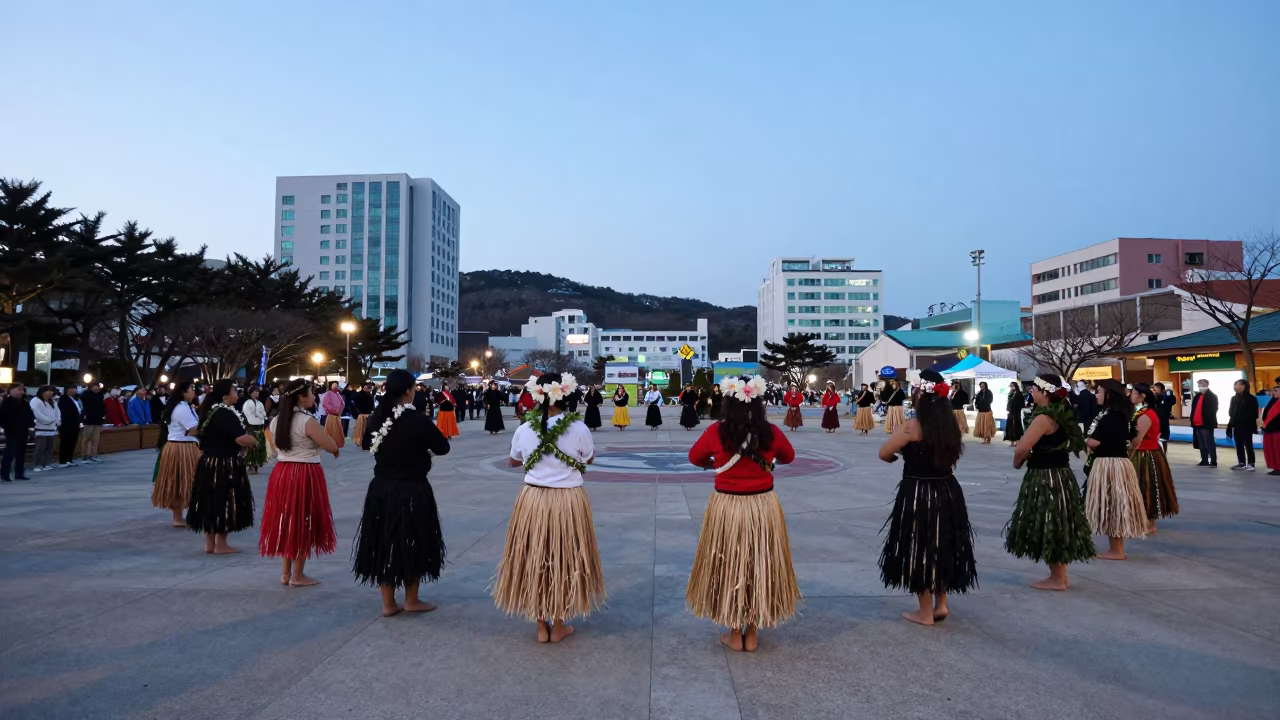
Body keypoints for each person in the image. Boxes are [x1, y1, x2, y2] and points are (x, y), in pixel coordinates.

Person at [686, 376, 799, 652]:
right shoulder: (770, 432)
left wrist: (713, 462)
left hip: (728, 507)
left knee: (730, 562)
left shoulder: (716, 432)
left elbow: (694, 457)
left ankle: (734, 632)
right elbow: (789, 457)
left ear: (727, 403)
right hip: (762, 506)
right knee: (758, 563)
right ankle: (753, 632)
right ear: (758, 402)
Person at [493, 373, 604, 643]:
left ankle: (541, 625)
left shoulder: (524, 428)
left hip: (533, 500)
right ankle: (560, 624)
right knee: (564, 558)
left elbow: (513, 462)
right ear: (566, 395)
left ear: (538, 396)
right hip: (568, 501)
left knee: (535, 557)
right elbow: (589, 458)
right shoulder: (578, 428)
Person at [877, 370, 976, 625]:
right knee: (943, 542)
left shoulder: (911, 427)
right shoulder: (951, 427)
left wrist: (895, 457)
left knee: (919, 545)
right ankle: (940, 604)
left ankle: (924, 612)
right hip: (947, 490)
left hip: (919, 492)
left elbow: (884, 453)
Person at [353, 369, 451, 616]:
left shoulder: (377, 417)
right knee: (414, 538)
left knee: (384, 540)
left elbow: (366, 444)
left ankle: (388, 604)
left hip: (382, 487)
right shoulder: (415, 418)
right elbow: (442, 446)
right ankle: (411, 600)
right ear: (408, 390)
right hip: (412, 488)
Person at [1006, 374, 1094, 591]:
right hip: (1062, 474)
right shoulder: (1063, 413)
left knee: (1050, 522)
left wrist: (1018, 462)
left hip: (1046, 477)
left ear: (1045, 392)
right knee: (1058, 523)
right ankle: (1059, 576)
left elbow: (1023, 447)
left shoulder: (1043, 418)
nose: (1031, 391)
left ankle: (1057, 578)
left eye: (1034, 388)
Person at [261, 379, 340, 587]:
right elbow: (331, 445)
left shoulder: (277, 420)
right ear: (301, 397)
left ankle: (286, 573)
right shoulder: (307, 421)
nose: (314, 397)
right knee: (304, 519)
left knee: (285, 519)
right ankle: (298, 575)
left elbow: (276, 447)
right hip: (305, 473)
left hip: (282, 472)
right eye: (312, 393)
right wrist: (332, 447)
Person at [186, 379, 259, 554]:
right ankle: (221, 544)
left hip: (209, 462)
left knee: (210, 501)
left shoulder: (211, 411)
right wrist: (254, 441)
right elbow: (240, 438)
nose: (237, 394)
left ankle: (210, 544)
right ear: (225, 395)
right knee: (225, 500)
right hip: (224, 464)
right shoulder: (225, 414)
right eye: (234, 391)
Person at [1082, 380, 1148, 560]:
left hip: (1108, 464)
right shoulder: (1124, 415)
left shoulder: (1111, 416)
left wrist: (1082, 440)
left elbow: (1096, 443)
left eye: (1099, 391)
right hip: (1120, 463)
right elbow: (1135, 441)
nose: (1096, 395)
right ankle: (1115, 549)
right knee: (1115, 505)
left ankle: (1116, 550)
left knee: (1112, 505)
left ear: (1109, 395)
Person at [1131, 383, 1180, 534]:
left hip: (1146, 455)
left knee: (1146, 487)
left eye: (1133, 393)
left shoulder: (1145, 415)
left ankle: (1149, 523)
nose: (1130, 396)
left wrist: (1128, 455)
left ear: (1142, 396)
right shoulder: (1142, 412)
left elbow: (1137, 440)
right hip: (1147, 453)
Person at [152, 382, 200, 527]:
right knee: (179, 481)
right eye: (191, 389)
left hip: (183, 446)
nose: (194, 392)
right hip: (182, 448)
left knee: (182, 481)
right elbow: (194, 429)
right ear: (183, 392)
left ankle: (182, 516)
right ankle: (178, 517)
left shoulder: (184, 406)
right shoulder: (181, 408)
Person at [0, 385, 34, 481]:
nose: (21, 391)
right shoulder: (7, 402)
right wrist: (7, 427)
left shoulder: (24, 402)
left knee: (21, 453)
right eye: (19, 389)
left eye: (22, 389)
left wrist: (29, 423)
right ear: (11, 390)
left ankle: (19, 473)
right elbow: (2, 417)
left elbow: (31, 414)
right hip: (12, 431)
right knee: (9, 453)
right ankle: (5, 474)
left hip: (23, 430)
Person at [1227, 379, 1260, 471]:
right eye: (1235, 385)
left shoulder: (1251, 399)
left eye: (1237, 385)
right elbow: (1231, 412)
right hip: (1236, 425)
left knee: (1248, 445)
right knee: (1239, 444)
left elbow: (1254, 414)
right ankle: (1241, 462)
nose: (1235, 387)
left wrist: (1244, 419)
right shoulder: (1234, 398)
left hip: (1247, 425)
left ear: (1243, 386)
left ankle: (1251, 463)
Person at [30, 386, 60, 473]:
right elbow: (36, 413)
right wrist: (48, 420)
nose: (51, 393)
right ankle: (37, 464)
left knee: (49, 447)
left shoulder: (53, 401)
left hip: (52, 428)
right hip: (40, 427)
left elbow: (58, 412)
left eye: (52, 391)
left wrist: (57, 420)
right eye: (49, 391)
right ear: (43, 392)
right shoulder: (36, 400)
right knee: (40, 448)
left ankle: (46, 463)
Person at [1190, 379, 1219, 467]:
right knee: (1201, 443)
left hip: (1206, 424)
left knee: (1209, 442)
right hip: (1197, 423)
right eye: (1199, 384)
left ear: (1207, 384)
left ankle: (1213, 461)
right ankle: (1204, 460)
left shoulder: (1212, 396)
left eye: (1203, 384)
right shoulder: (1197, 396)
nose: (1201, 385)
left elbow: (1213, 410)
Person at [241, 385, 269, 474]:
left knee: (259, 445)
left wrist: (262, 417)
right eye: (255, 392)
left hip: (259, 425)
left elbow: (263, 413)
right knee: (251, 446)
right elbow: (248, 414)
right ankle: (250, 465)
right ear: (250, 393)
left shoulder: (259, 403)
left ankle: (256, 464)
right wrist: (258, 417)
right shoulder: (247, 403)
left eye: (258, 392)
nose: (257, 393)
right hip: (251, 425)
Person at [57, 384, 82, 467]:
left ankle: (69, 459)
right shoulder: (64, 399)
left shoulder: (75, 399)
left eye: (75, 388)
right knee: (66, 442)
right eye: (73, 388)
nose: (75, 390)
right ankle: (63, 460)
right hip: (67, 424)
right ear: (68, 389)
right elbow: (64, 411)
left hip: (75, 423)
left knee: (72, 441)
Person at [79, 382, 106, 463]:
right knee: (87, 438)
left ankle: (93, 454)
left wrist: (103, 416)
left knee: (95, 439)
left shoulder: (100, 395)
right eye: (95, 386)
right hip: (88, 419)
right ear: (91, 387)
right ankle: (85, 455)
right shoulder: (86, 394)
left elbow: (101, 405)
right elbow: (83, 400)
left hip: (97, 419)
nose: (97, 388)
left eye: (98, 387)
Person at [320, 381, 347, 447]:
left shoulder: (338, 394)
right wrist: (334, 410)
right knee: (331, 430)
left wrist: (339, 410)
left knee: (337, 431)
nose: (335, 387)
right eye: (334, 385)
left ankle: (337, 443)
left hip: (337, 416)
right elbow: (325, 404)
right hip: (331, 416)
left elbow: (342, 404)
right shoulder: (329, 394)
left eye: (336, 385)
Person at [1151, 382, 1176, 451]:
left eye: (1155, 390)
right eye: (1153, 390)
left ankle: (1163, 454)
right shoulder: (1154, 398)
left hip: (1163, 422)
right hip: (1155, 422)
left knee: (1163, 439)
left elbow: (1173, 401)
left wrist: (1169, 395)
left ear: (1161, 390)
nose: (1154, 391)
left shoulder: (1167, 397)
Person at [1262, 385, 1280, 476]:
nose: (1274, 392)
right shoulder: (1273, 401)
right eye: (1274, 391)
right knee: (1272, 450)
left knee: (1278, 450)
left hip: (1277, 430)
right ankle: (1275, 467)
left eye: (1276, 390)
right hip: (1270, 429)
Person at [352, 383, 375, 448]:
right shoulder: (358, 395)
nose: (367, 388)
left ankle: (367, 443)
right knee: (361, 429)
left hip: (368, 415)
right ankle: (360, 442)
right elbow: (355, 406)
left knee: (367, 430)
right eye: (365, 387)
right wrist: (356, 414)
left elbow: (372, 406)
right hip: (362, 415)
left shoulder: (370, 396)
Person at [1004, 380, 1025, 446]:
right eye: (1011, 386)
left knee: (1017, 426)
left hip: (1016, 412)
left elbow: (1022, 403)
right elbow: (1009, 402)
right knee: (1010, 427)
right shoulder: (1010, 393)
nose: (1011, 387)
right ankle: (1012, 442)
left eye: (1012, 385)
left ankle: (1017, 442)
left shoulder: (1019, 394)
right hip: (1011, 412)